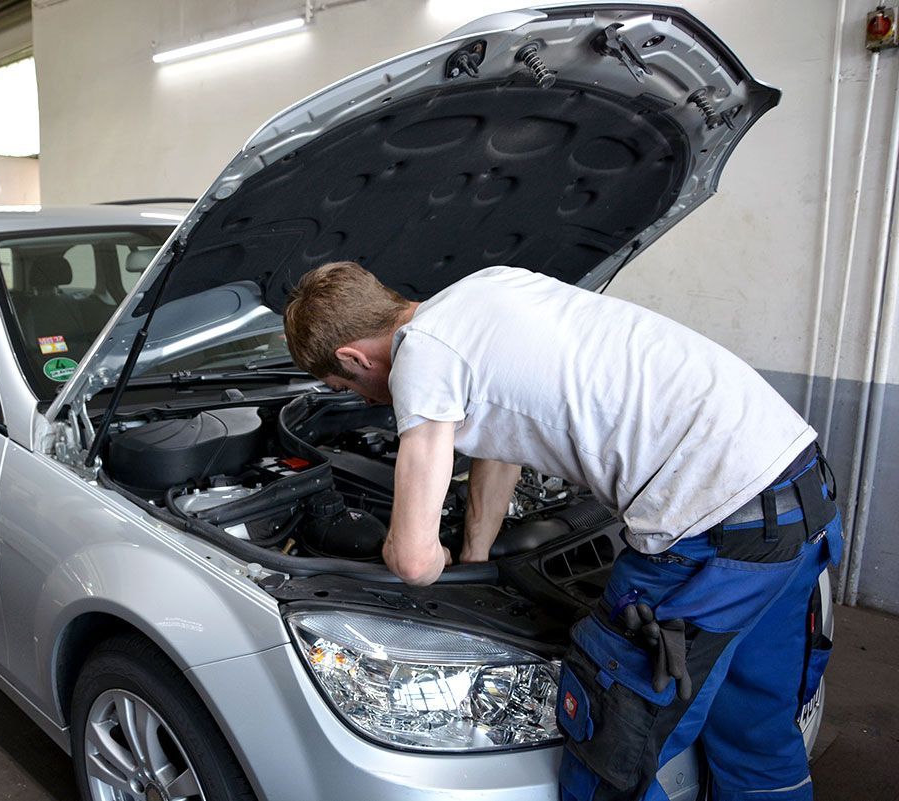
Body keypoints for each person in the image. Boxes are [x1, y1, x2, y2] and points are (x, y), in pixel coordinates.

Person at [282, 261, 841, 801]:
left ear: (352, 355)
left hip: (712, 527)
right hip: (796, 489)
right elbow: (502, 438)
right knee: (755, 726)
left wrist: (418, 560)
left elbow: (411, 560)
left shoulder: (420, 358)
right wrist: (475, 553)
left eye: (346, 385)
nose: (359, 400)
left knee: (613, 745)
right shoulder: (488, 287)